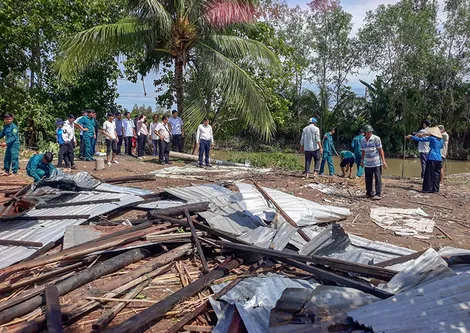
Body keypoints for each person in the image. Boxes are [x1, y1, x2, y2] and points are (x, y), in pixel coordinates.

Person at [406, 127, 443, 193]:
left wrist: (411, 137)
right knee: (436, 174)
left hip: (432, 157)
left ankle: (427, 188)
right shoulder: (441, 140)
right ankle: (435, 189)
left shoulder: (432, 138)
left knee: (428, 174)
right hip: (439, 158)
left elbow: (421, 140)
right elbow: (441, 146)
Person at [361, 125, 387, 200]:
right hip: (368, 163)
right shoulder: (362, 140)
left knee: (378, 178)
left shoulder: (376, 138)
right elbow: (363, 151)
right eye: (368, 132)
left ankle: (378, 194)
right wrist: (362, 161)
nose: (369, 133)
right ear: (365, 132)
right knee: (368, 179)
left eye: (370, 132)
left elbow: (380, 150)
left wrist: (383, 161)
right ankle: (369, 193)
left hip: (376, 163)